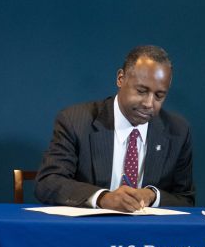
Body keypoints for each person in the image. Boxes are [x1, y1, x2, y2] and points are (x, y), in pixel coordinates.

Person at [35, 45, 194, 212]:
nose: (149, 103)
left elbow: (186, 199)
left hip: (147, 235)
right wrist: (103, 198)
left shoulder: (178, 131)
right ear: (120, 78)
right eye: (141, 91)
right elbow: (48, 182)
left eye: (159, 96)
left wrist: (153, 195)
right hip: (90, 231)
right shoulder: (75, 121)